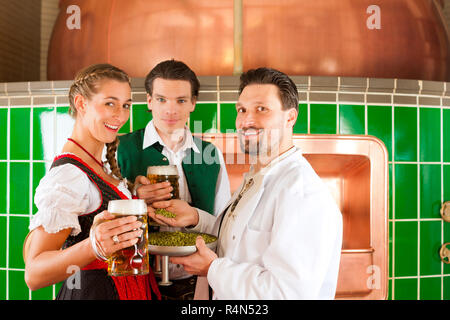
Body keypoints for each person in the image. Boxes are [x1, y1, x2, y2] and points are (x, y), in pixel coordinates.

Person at [149, 67, 343, 299]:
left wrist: (212, 269)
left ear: (290, 117)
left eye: (262, 109)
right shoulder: (257, 177)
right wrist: (195, 218)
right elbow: (235, 239)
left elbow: (286, 294)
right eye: (242, 110)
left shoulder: (302, 193)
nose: (246, 121)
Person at [24, 63, 161, 300]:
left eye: (126, 105)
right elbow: (34, 273)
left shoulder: (97, 164)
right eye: (110, 103)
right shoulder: (69, 176)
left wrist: (136, 196)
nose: (120, 115)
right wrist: (93, 247)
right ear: (81, 104)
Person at [117, 59, 231, 299]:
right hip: (136, 278)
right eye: (161, 99)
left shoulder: (210, 154)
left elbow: (225, 224)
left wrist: (194, 217)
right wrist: (135, 196)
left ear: (192, 103)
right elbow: (102, 215)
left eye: (180, 100)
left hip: (196, 280)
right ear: (149, 101)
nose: (170, 110)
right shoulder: (120, 148)